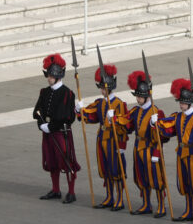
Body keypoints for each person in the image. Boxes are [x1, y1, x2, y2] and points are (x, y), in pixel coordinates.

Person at [157, 79, 193, 224]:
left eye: (183, 103)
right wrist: (155, 122)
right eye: (180, 102)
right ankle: (188, 210)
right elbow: (168, 127)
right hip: (181, 154)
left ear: (189, 102)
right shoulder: (178, 116)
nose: (181, 105)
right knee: (185, 183)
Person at [79, 64, 129, 211]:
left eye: (102, 88)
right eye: (100, 87)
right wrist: (80, 110)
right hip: (102, 139)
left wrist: (122, 146)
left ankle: (119, 198)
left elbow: (124, 127)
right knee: (105, 170)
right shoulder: (101, 102)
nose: (101, 90)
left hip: (114, 141)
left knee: (116, 171)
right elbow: (91, 114)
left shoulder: (119, 104)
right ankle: (109, 197)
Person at [33, 53, 81, 203]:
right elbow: (37, 111)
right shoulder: (44, 92)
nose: (48, 78)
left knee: (66, 162)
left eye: (51, 76)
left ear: (58, 76)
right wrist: (42, 125)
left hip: (61, 133)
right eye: (48, 75)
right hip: (47, 133)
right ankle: (55, 190)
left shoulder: (68, 94)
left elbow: (67, 116)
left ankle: (71, 192)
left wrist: (51, 126)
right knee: (51, 161)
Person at [125, 71, 168, 217]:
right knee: (141, 177)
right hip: (138, 148)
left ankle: (161, 206)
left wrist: (155, 125)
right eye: (136, 96)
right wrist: (114, 120)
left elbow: (162, 137)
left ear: (146, 96)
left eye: (139, 96)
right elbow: (127, 124)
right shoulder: (136, 111)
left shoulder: (156, 112)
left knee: (156, 179)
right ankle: (146, 204)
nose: (137, 99)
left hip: (151, 149)